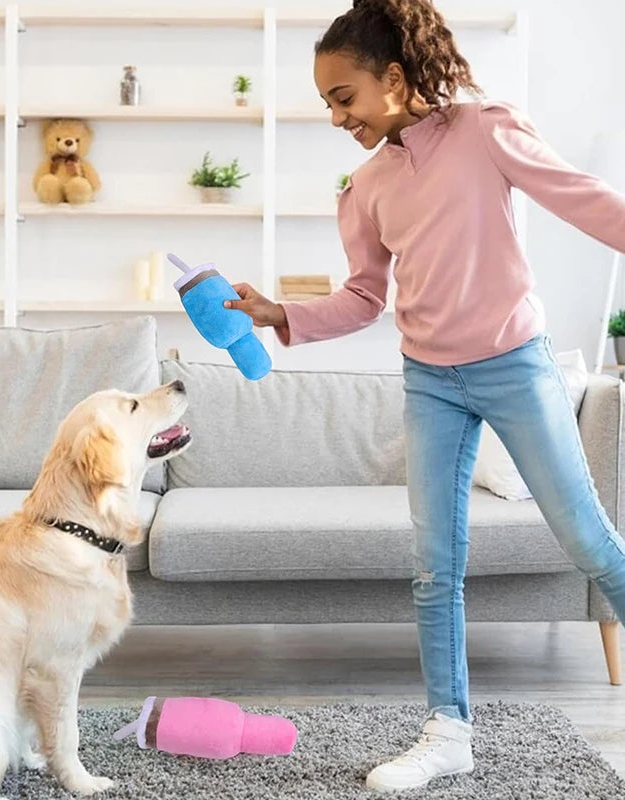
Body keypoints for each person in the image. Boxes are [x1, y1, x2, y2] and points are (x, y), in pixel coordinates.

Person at [223, 0, 625, 793]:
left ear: (396, 78)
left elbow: (585, 200)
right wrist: (279, 313)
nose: (336, 117)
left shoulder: (484, 131)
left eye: (344, 97)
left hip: (516, 363)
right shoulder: (367, 187)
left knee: (585, 539)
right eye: (327, 104)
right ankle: (449, 733)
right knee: (434, 567)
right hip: (431, 380)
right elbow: (364, 299)